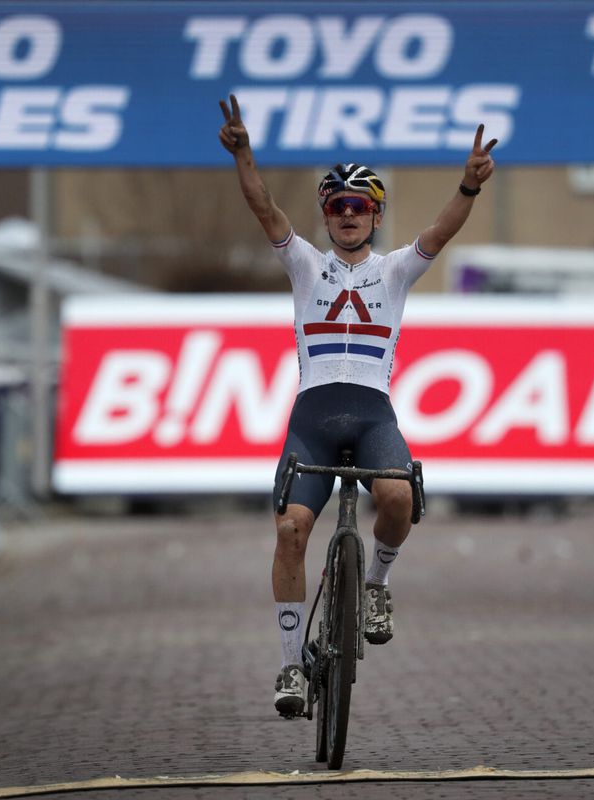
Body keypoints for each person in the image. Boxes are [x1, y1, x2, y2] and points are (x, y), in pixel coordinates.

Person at [218, 94, 497, 716]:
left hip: (374, 416)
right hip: (312, 419)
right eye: (338, 206)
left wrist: (468, 186)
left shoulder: (396, 271)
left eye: (359, 206)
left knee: (398, 497)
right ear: (326, 216)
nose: (348, 215)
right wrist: (244, 154)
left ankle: (376, 586)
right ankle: (292, 665)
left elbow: (442, 230)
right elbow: (262, 206)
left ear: (375, 216)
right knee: (291, 531)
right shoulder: (305, 266)